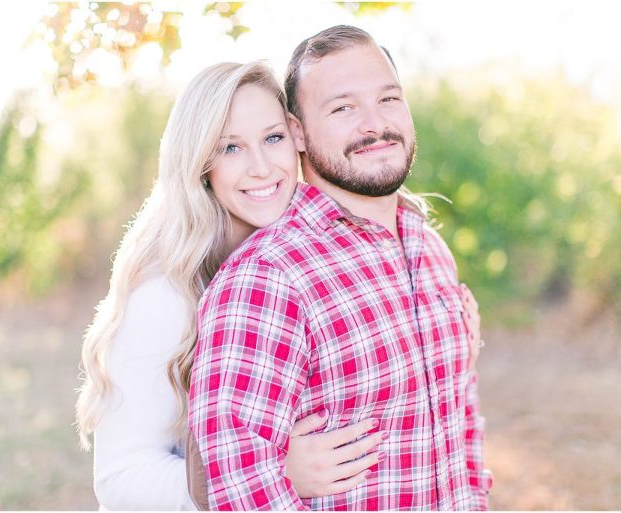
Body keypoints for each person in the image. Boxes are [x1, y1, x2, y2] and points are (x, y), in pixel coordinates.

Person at [74, 60, 485, 510]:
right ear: (200, 164)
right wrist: (269, 472)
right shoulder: (164, 294)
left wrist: (441, 338)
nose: (261, 167)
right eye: (231, 148)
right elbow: (120, 478)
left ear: (297, 137)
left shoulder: (313, 258)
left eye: (273, 139)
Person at [188, 26, 493, 511]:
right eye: (343, 108)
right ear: (297, 132)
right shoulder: (268, 276)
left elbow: (461, 416)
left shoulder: (430, 250)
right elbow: (244, 486)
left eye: (388, 99)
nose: (375, 124)